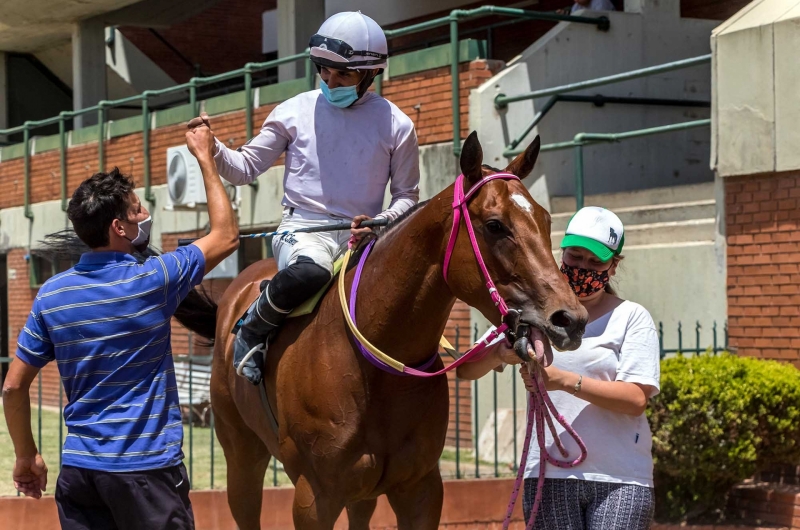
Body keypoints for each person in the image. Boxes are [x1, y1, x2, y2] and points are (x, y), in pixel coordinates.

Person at [2, 123, 236, 530]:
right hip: (147, 472)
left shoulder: (51, 294)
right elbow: (227, 235)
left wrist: (27, 456)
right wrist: (205, 159)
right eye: (138, 209)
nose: (146, 214)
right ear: (120, 228)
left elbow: (12, 386)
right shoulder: (153, 280)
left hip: (80, 474)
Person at [188, 11, 420, 385]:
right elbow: (244, 168)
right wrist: (211, 146)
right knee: (312, 272)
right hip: (303, 229)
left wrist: (381, 221)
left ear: (371, 73)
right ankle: (253, 328)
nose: (331, 81)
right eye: (323, 71)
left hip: (364, 236)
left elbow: (407, 196)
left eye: (342, 74)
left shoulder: (398, 125)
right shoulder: (293, 110)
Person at [457, 207, 660, 530]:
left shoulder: (631, 318)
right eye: (576, 256)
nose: (583, 267)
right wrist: (500, 354)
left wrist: (562, 380)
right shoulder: (530, 312)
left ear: (614, 265)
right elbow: (465, 369)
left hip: (621, 479)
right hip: (549, 475)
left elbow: (635, 399)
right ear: (561, 253)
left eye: (596, 262)